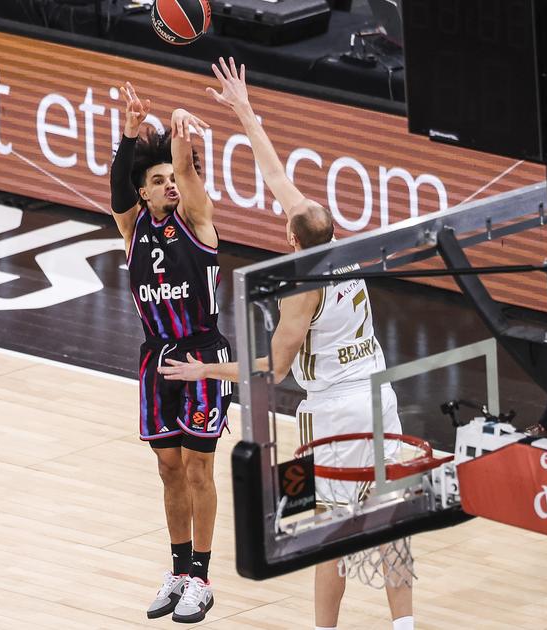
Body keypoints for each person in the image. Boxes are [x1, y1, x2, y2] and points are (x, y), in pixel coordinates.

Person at [158, 58, 415, 630]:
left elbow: (271, 370)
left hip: (340, 411)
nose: (284, 210)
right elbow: (275, 176)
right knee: (389, 516)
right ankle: (405, 626)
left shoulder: (302, 292)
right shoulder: (338, 246)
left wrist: (206, 374)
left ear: (292, 238)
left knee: (333, 532)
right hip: (380, 395)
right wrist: (243, 108)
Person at [108, 81, 232, 623]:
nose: (169, 186)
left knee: (200, 470)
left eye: (172, 178)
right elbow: (116, 194)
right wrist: (130, 134)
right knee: (167, 468)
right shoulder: (133, 230)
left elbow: (188, 176)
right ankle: (178, 569)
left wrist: (179, 138)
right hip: (157, 359)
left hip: (202, 355)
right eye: (156, 181)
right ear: (144, 194)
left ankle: (201, 579)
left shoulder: (198, 221)